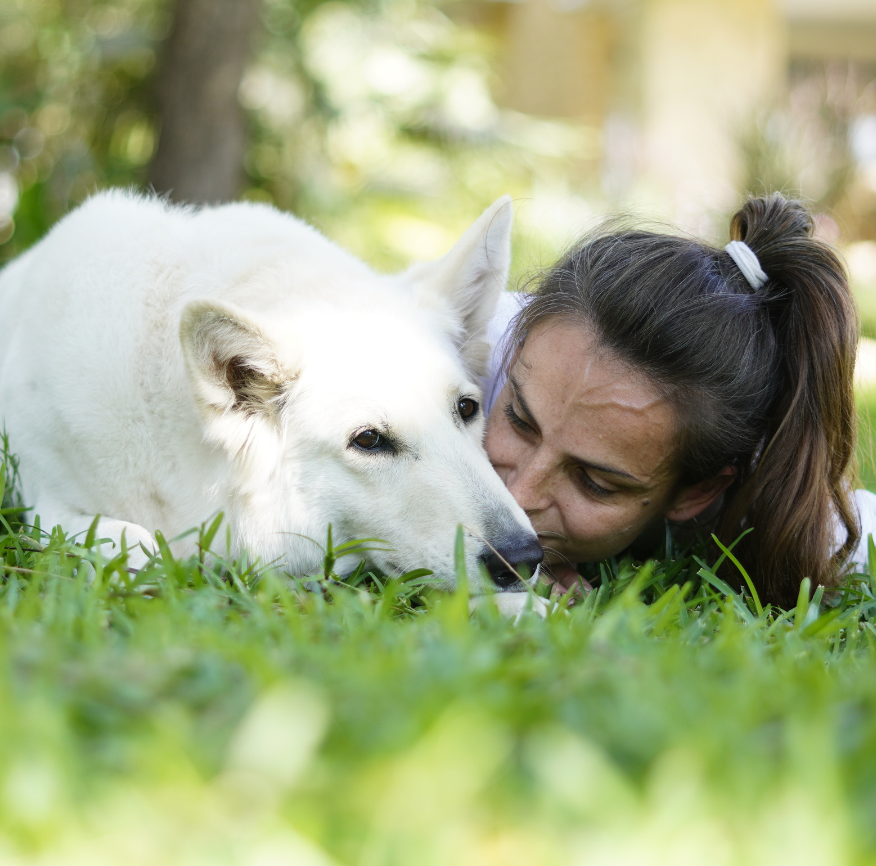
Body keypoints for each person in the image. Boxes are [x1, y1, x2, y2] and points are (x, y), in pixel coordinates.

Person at [481, 192, 876, 609]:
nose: (519, 497)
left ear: (699, 492)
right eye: (518, 419)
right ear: (515, 350)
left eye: (594, 482)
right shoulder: (456, 349)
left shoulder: (777, 501)